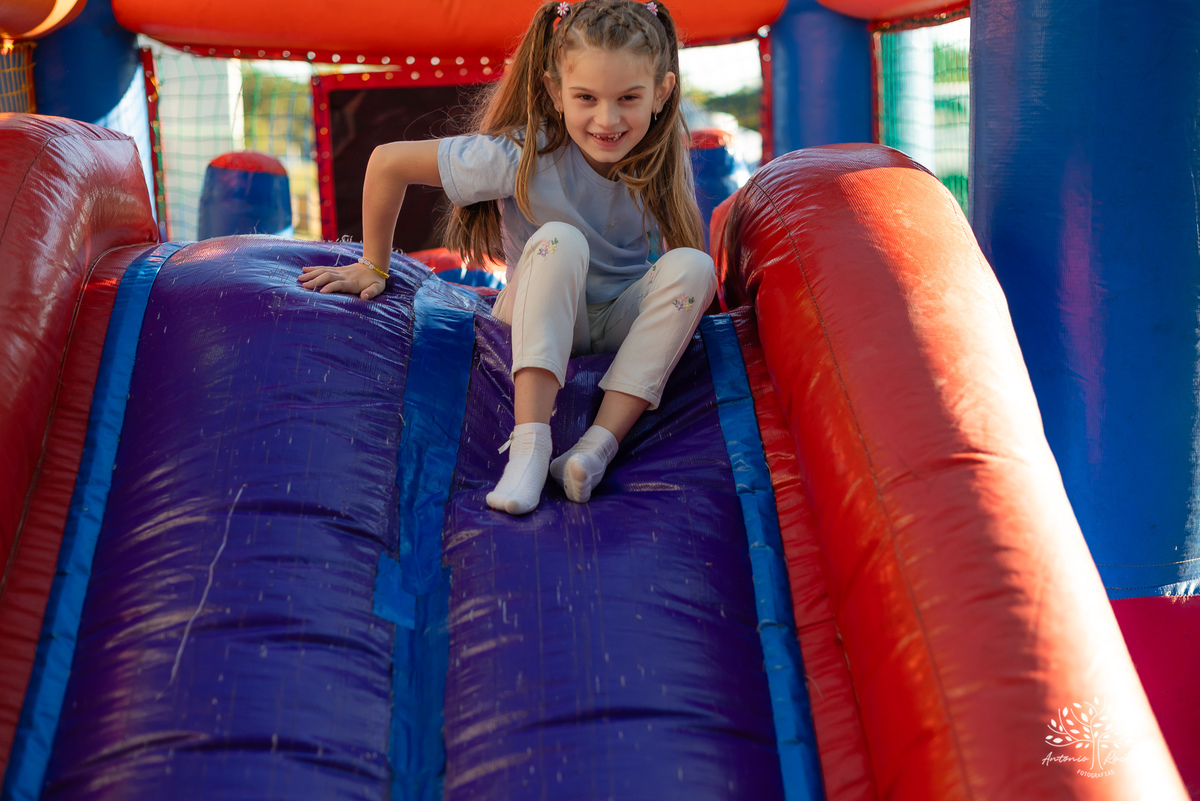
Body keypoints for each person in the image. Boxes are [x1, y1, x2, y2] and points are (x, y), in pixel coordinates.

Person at [298, 0, 716, 515]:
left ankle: (595, 448)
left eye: (628, 98)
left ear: (662, 93)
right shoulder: (523, 154)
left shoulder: (658, 151)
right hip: (534, 311)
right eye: (586, 97)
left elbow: (678, 276)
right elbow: (387, 162)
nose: (607, 119)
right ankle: (530, 446)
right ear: (553, 92)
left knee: (695, 264)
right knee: (561, 239)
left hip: (613, 321)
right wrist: (373, 265)